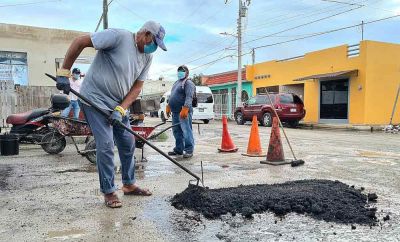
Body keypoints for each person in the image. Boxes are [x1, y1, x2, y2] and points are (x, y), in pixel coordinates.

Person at [55, 21, 167, 208]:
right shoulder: (118, 36)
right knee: (106, 144)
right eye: (153, 42)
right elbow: (80, 41)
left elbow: (137, 87)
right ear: (145, 34)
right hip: (95, 99)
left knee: (128, 142)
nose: (153, 48)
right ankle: (109, 191)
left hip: (118, 105)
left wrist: (121, 109)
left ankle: (129, 185)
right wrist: (64, 72)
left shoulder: (147, 58)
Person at [166, 65, 195, 158]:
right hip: (175, 112)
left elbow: (189, 96)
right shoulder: (176, 83)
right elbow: (172, 95)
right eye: (179, 71)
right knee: (176, 131)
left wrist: (186, 108)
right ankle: (179, 149)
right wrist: (168, 105)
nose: (180, 72)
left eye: (182, 71)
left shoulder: (188, 83)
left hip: (183, 112)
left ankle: (189, 150)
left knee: (186, 131)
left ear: (187, 72)